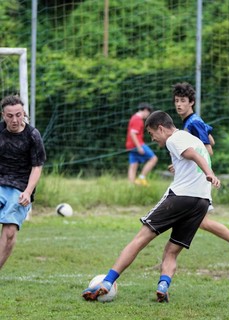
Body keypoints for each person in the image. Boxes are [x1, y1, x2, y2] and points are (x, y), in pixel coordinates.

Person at [82, 111, 221, 303]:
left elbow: (193, 156)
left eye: (151, 133)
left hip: (180, 198)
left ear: (161, 128)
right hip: (202, 202)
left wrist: (210, 173)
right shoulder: (192, 139)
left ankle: (107, 282)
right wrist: (181, 167)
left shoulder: (174, 139)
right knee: (172, 251)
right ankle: (163, 286)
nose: (152, 138)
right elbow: (195, 156)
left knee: (140, 239)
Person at [171, 82, 229, 273]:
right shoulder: (190, 122)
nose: (179, 105)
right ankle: (169, 260)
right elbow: (209, 139)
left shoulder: (193, 122)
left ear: (191, 102)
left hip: (199, 180)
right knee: (189, 219)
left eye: (183, 101)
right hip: (195, 178)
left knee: (196, 220)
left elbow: (208, 150)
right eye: (176, 101)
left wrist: (193, 162)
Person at [0, 94, 46, 270]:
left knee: (10, 232)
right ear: (3, 115)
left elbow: (37, 166)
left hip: (20, 187)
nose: (15, 119)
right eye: (10, 116)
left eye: (19, 115)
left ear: (24, 113)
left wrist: (28, 191)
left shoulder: (32, 135)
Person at [125, 102, 158, 186]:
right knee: (153, 159)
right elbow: (133, 133)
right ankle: (141, 178)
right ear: (145, 110)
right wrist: (139, 147)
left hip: (130, 145)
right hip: (137, 144)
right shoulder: (138, 120)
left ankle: (131, 186)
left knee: (133, 165)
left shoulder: (133, 117)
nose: (148, 115)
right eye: (148, 113)